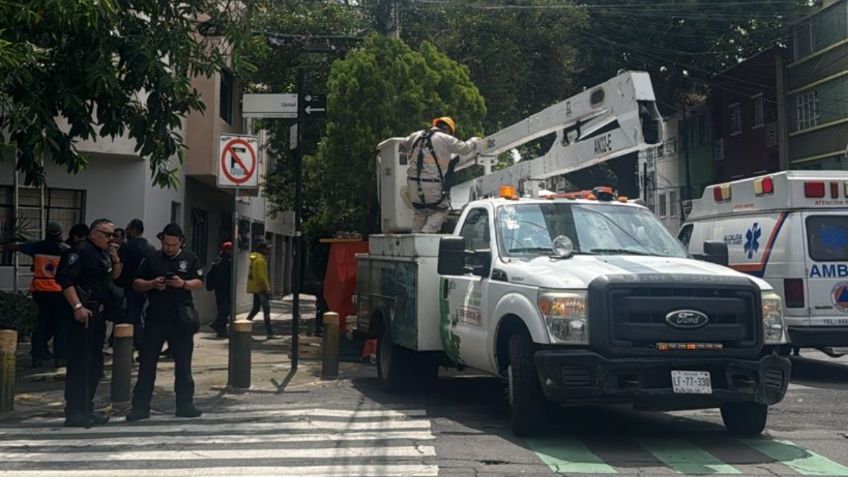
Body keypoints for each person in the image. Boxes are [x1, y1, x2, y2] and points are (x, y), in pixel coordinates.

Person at [126, 223, 203, 422]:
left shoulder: (190, 258)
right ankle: (140, 407)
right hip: (156, 318)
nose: (169, 248)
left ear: (181, 242)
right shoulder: (152, 258)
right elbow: (136, 283)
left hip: (181, 318)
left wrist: (183, 284)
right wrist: (152, 284)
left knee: (183, 364)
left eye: (173, 244)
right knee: (147, 363)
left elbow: (199, 282)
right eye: (166, 244)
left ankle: (185, 404)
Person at [55, 219, 123, 428]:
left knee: (94, 365)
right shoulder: (80, 251)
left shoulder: (103, 253)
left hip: (98, 314)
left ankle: (87, 408)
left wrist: (115, 258)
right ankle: (74, 411)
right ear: (94, 233)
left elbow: (114, 277)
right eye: (107, 234)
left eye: (114, 235)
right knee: (80, 364)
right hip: (83, 314)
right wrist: (77, 307)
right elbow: (65, 280)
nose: (111, 239)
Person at [3, 222, 70, 368]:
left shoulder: (37, 246)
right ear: (60, 234)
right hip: (59, 292)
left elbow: (18, 247)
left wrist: (6, 245)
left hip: (40, 291)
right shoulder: (66, 250)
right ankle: (60, 358)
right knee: (60, 325)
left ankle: (37, 357)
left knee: (41, 324)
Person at [405, 116, 481, 233]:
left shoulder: (416, 135)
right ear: (449, 130)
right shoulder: (446, 139)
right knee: (441, 210)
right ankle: (426, 233)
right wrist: (474, 141)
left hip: (412, 184)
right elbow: (465, 149)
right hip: (431, 184)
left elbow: (405, 143)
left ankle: (414, 239)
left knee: (420, 212)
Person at [117, 219, 155, 351]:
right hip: (146, 287)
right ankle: (141, 343)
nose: (125, 231)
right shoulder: (150, 247)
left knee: (128, 317)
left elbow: (119, 267)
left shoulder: (125, 246)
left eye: (127, 228)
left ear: (133, 230)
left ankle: (131, 344)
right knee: (140, 316)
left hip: (126, 286)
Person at [246, 241, 275, 339]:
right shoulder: (260, 261)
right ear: (262, 249)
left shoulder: (254, 259)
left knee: (256, 309)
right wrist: (267, 288)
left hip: (255, 287)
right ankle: (269, 332)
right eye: (267, 249)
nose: (268, 250)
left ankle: (246, 324)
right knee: (266, 309)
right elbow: (262, 276)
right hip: (260, 288)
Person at [206, 241, 233, 338]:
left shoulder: (221, 259)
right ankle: (218, 325)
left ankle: (220, 327)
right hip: (223, 288)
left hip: (222, 288)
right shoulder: (224, 260)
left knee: (225, 309)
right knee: (224, 309)